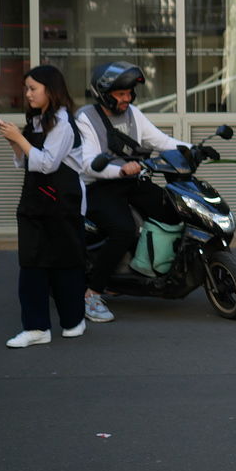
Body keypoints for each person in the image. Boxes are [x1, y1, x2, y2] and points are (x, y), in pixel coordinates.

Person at [75, 62, 189, 323]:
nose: (127, 99)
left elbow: (160, 141)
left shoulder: (133, 114)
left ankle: (150, 268)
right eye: (121, 94)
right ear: (104, 94)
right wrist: (121, 170)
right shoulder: (85, 118)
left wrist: (192, 149)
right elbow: (88, 163)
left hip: (131, 180)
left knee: (172, 209)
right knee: (123, 229)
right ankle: (92, 293)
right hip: (98, 186)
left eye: (129, 93)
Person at [0, 66, 88, 348]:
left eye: (33, 88)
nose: (28, 94)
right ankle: (36, 328)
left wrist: (20, 139)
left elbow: (47, 163)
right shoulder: (37, 120)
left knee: (66, 262)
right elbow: (26, 161)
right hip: (35, 203)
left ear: (51, 89)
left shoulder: (63, 122)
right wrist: (15, 143)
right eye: (26, 88)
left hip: (62, 203)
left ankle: (74, 320)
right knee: (31, 262)